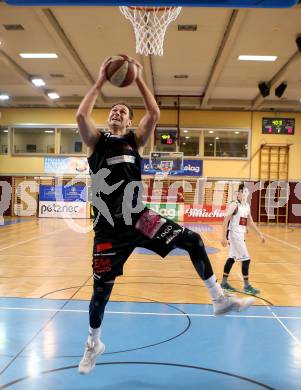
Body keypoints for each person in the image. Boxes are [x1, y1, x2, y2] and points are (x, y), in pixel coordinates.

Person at [76, 56, 255, 375]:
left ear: (129, 122)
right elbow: (80, 114)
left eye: (124, 111)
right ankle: (93, 344)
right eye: (114, 110)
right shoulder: (97, 143)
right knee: (100, 294)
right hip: (107, 231)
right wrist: (102, 78)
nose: (118, 112)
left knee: (193, 240)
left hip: (139, 218)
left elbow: (155, 113)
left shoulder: (134, 141)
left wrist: (140, 78)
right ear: (107, 118)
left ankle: (219, 299)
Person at [221, 183, 265, 294]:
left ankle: (224, 283)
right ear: (239, 192)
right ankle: (246, 286)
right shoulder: (234, 204)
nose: (245, 194)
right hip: (234, 235)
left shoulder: (246, 206)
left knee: (231, 258)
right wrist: (223, 237)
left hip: (241, 235)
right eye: (243, 192)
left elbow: (250, 222)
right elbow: (226, 220)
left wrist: (259, 234)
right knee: (246, 259)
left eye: (247, 192)